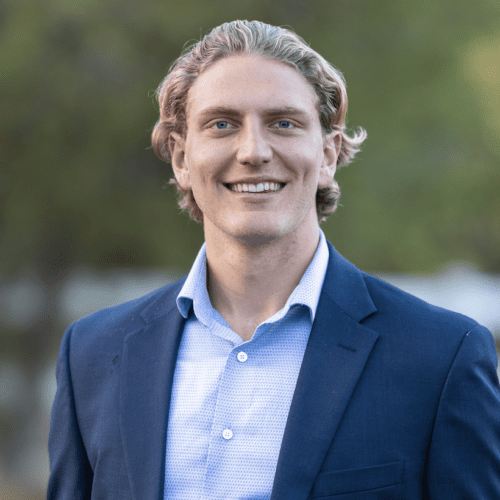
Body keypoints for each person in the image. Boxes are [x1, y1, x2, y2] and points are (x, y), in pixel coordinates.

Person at [47, 20, 500, 499]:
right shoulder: (93, 354)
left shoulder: (442, 356)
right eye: (222, 124)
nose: (253, 152)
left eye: (283, 123)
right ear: (181, 158)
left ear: (327, 154)